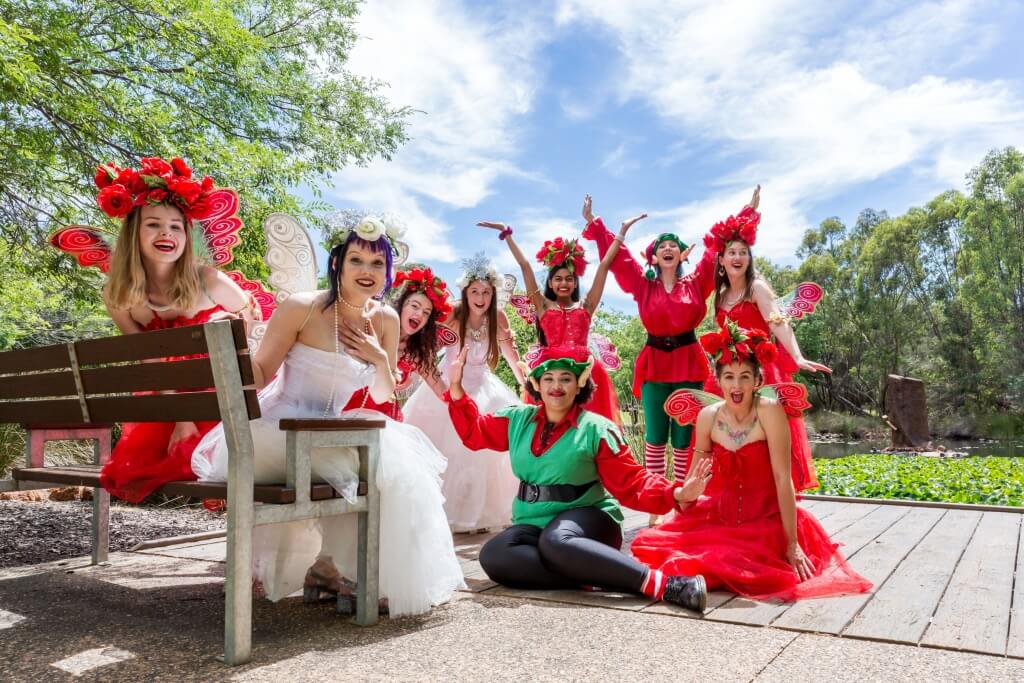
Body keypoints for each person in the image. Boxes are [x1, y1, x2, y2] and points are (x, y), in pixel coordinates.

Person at [191, 213, 463, 616]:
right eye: (356, 260)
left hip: (329, 429)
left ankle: (329, 568)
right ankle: (341, 570)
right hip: (279, 429)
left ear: (388, 271)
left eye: (377, 263)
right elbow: (264, 371)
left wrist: (377, 359)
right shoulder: (302, 307)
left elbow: (382, 392)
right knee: (372, 466)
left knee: (397, 465)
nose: (366, 271)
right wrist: (237, 345)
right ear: (338, 262)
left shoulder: (386, 319)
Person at [445, 344, 708, 611]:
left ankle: (667, 585)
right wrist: (456, 387)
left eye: (565, 379)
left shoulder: (596, 428)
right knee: (495, 555)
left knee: (557, 540)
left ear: (579, 385)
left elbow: (632, 480)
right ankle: (594, 574)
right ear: (537, 383)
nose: (556, 386)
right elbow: (475, 433)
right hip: (534, 523)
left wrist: (677, 493)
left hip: (589, 521)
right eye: (548, 378)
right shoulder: (517, 419)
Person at [60, 157, 257, 503]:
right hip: (168, 396)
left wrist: (236, 321)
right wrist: (181, 417)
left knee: (216, 456)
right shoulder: (119, 295)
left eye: (176, 227)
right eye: (154, 225)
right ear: (134, 232)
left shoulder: (208, 280)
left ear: (186, 237)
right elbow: (150, 362)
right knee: (165, 460)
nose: (166, 233)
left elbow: (252, 322)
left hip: (224, 392)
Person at [631, 324, 872, 601]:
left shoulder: (769, 411)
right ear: (718, 381)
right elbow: (693, 480)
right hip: (718, 513)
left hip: (765, 517)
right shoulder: (708, 416)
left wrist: (792, 544)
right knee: (659, 550)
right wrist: (687, 497)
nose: (736, 385)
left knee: (746, 564)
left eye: (745, 376)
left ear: (757, 380)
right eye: (729, 377)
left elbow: (783, 478)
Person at [582, 190, 756, 494]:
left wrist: (746, 213)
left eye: (673, 245)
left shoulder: (698, 282)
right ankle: (656, 496)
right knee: (655, 434)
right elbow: (618, 258)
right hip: (654, 364)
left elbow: (719, 246)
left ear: (682, 255)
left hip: (688, 361)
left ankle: (683, 492)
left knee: (684, 436)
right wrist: (598, 225)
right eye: (662, 245)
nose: (668, 248)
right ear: (654, 256)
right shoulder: (642, 284)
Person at [476, 195, 643, 423]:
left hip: (585, 374)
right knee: (549, 429)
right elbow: (525, 266)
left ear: (575, 283)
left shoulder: (587, 306)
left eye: (568, 279)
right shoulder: (542, 305)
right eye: (558, 279)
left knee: (588, 429)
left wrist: (622, 232)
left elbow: (604, 266)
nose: (563, 283)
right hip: (549, 374)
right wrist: (507, 233)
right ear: (551, 283)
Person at [706, 186, 829, 491]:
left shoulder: (757, 288)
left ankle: (776, 505)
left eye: (743, 252)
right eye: (732, 252)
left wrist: (797, 356)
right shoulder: (720, 296)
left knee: (765, 440)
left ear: (749, 258)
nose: (738, 257)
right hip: (728, 376)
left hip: (760, 375)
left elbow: (778, 322)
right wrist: (747, 211)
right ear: (721, 260)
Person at [402, 253, 524, 533]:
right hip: (449, 383)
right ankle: (443, 511)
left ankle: (480, 515)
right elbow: (426, 348)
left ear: (493, 294)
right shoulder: (455, 313)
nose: (480, 297)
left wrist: (526, 383)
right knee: (447, 447)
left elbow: (509, 353)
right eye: (474, 292)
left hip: (483, 384)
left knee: (488, 449)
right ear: (465, 293)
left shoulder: (498, 318)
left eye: (486, 292)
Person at [343, 267, 453, 420]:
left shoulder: (418, 354)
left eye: (426, 313)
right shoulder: (373, 327)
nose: (420, 314)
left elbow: (441, 390)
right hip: (348, 406)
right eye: (415, 306)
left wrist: (466, 409)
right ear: (401, 306)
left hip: (385, 416)